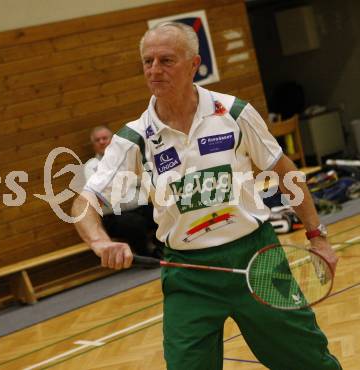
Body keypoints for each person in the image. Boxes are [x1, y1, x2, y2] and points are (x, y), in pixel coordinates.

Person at [72, 22, 341, 370]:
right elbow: (84, 201)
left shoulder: (234, 113)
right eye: (147, 61)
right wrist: (99, 242)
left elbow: (285, 173)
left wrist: (318, 236)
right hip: (188, 274)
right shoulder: (133, 138)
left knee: (309, 362)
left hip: (256, 257)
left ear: (193, 63)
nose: (154, 70)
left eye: (166, 60)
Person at [84, 125, 163, 258]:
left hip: (139, 207)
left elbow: (140, 180)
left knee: (160, 212)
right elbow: (101, 191)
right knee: (134, 223)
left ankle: (164, 248)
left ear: (113, 140)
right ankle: (148, 255)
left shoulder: (127, 158)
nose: (102, 142)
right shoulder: (91, 166)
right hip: (113, 216)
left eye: (105, 138)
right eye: (98, 140)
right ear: (94, 145)